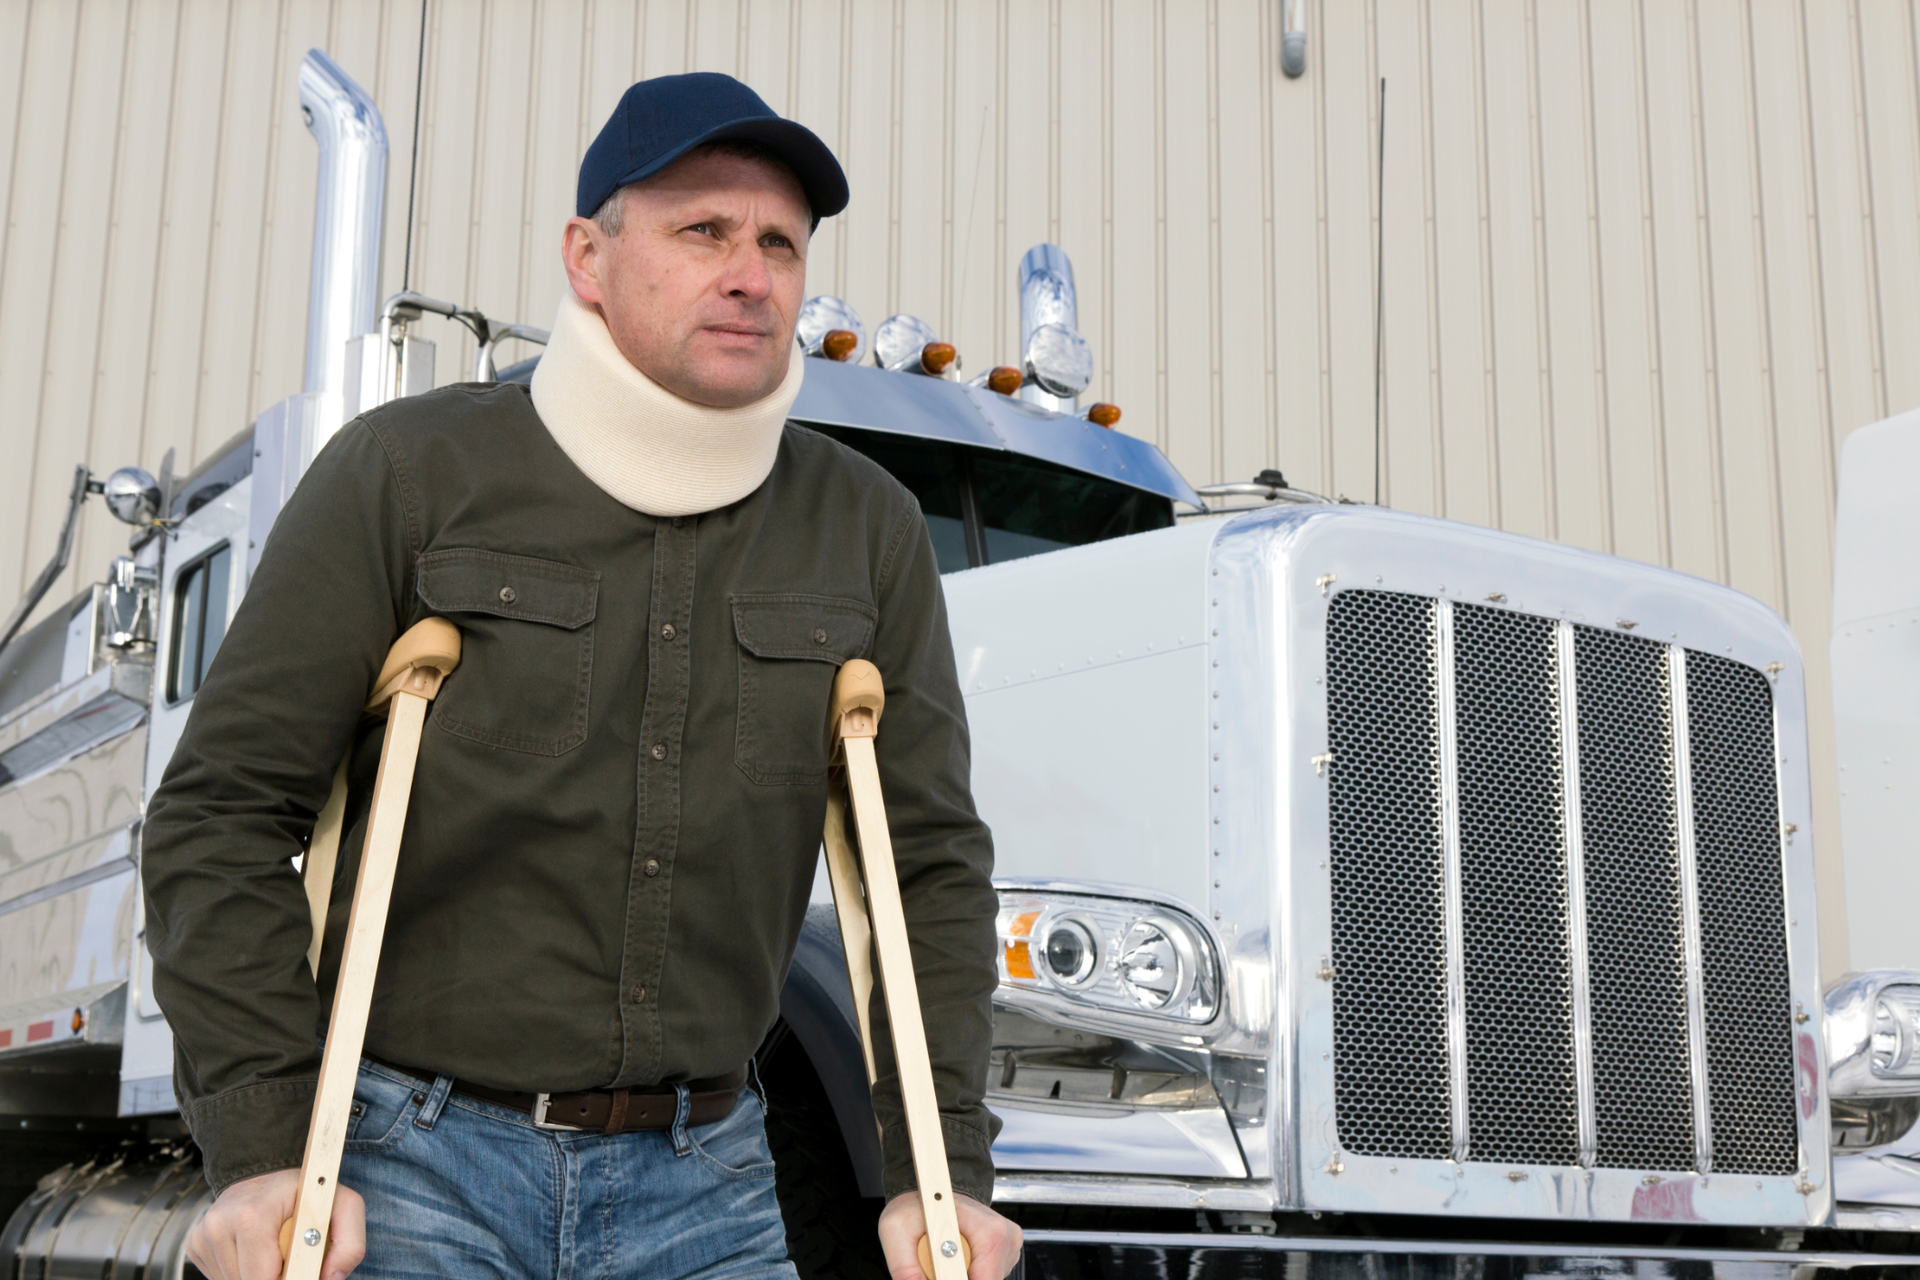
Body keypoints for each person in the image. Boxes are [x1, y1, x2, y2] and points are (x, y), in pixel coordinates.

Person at [142, 71, 1021, 1280]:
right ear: (587, 256)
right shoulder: (411, 473)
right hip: (414, 1156)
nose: (751, 273)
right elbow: (221, 809)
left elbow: (923, 864)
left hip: (709, 1173)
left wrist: (947, 1171)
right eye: (702, 230)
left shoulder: (862, 524)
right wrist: (262, 1144)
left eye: (779, 242)